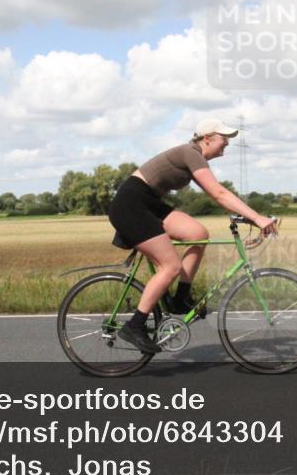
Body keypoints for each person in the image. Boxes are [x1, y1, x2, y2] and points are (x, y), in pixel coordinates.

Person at [107, 118, 277, 353]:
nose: (226, 145)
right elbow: (218, 193)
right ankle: (134, 325)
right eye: (223, 140)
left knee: (198, 233)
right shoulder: (191, 152)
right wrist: (257, 218)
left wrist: (250, 216)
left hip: (148, 202)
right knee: (170, 266)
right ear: (207, 139)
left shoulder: (194, 155)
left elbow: (217, 195)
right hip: (131, 204)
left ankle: (180, 299)